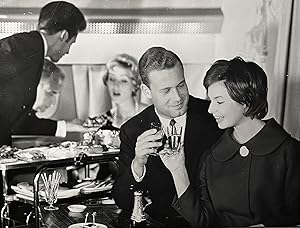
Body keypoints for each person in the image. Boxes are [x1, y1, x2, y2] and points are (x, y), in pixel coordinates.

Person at [161, 57, 300, 227]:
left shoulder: (290, 152)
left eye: (219, 101)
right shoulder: (212, 157)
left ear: (246, 102)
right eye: (210, 101)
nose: (211, 109)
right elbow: (202, 221)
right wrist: (177, 170)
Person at [111, 46, 222, 226]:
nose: (177, 97)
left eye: (181, 85)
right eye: (166, 90)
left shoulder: (214, 117)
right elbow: (123, 202)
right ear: (147, 92)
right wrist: (138, 163)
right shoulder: (132, 131)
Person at [0, 1, 87, 146]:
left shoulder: (29, 48)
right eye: (71, 43)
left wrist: (64, 126)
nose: (68, 51)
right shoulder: (25, 50)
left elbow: (16, 118)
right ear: (64, 35)